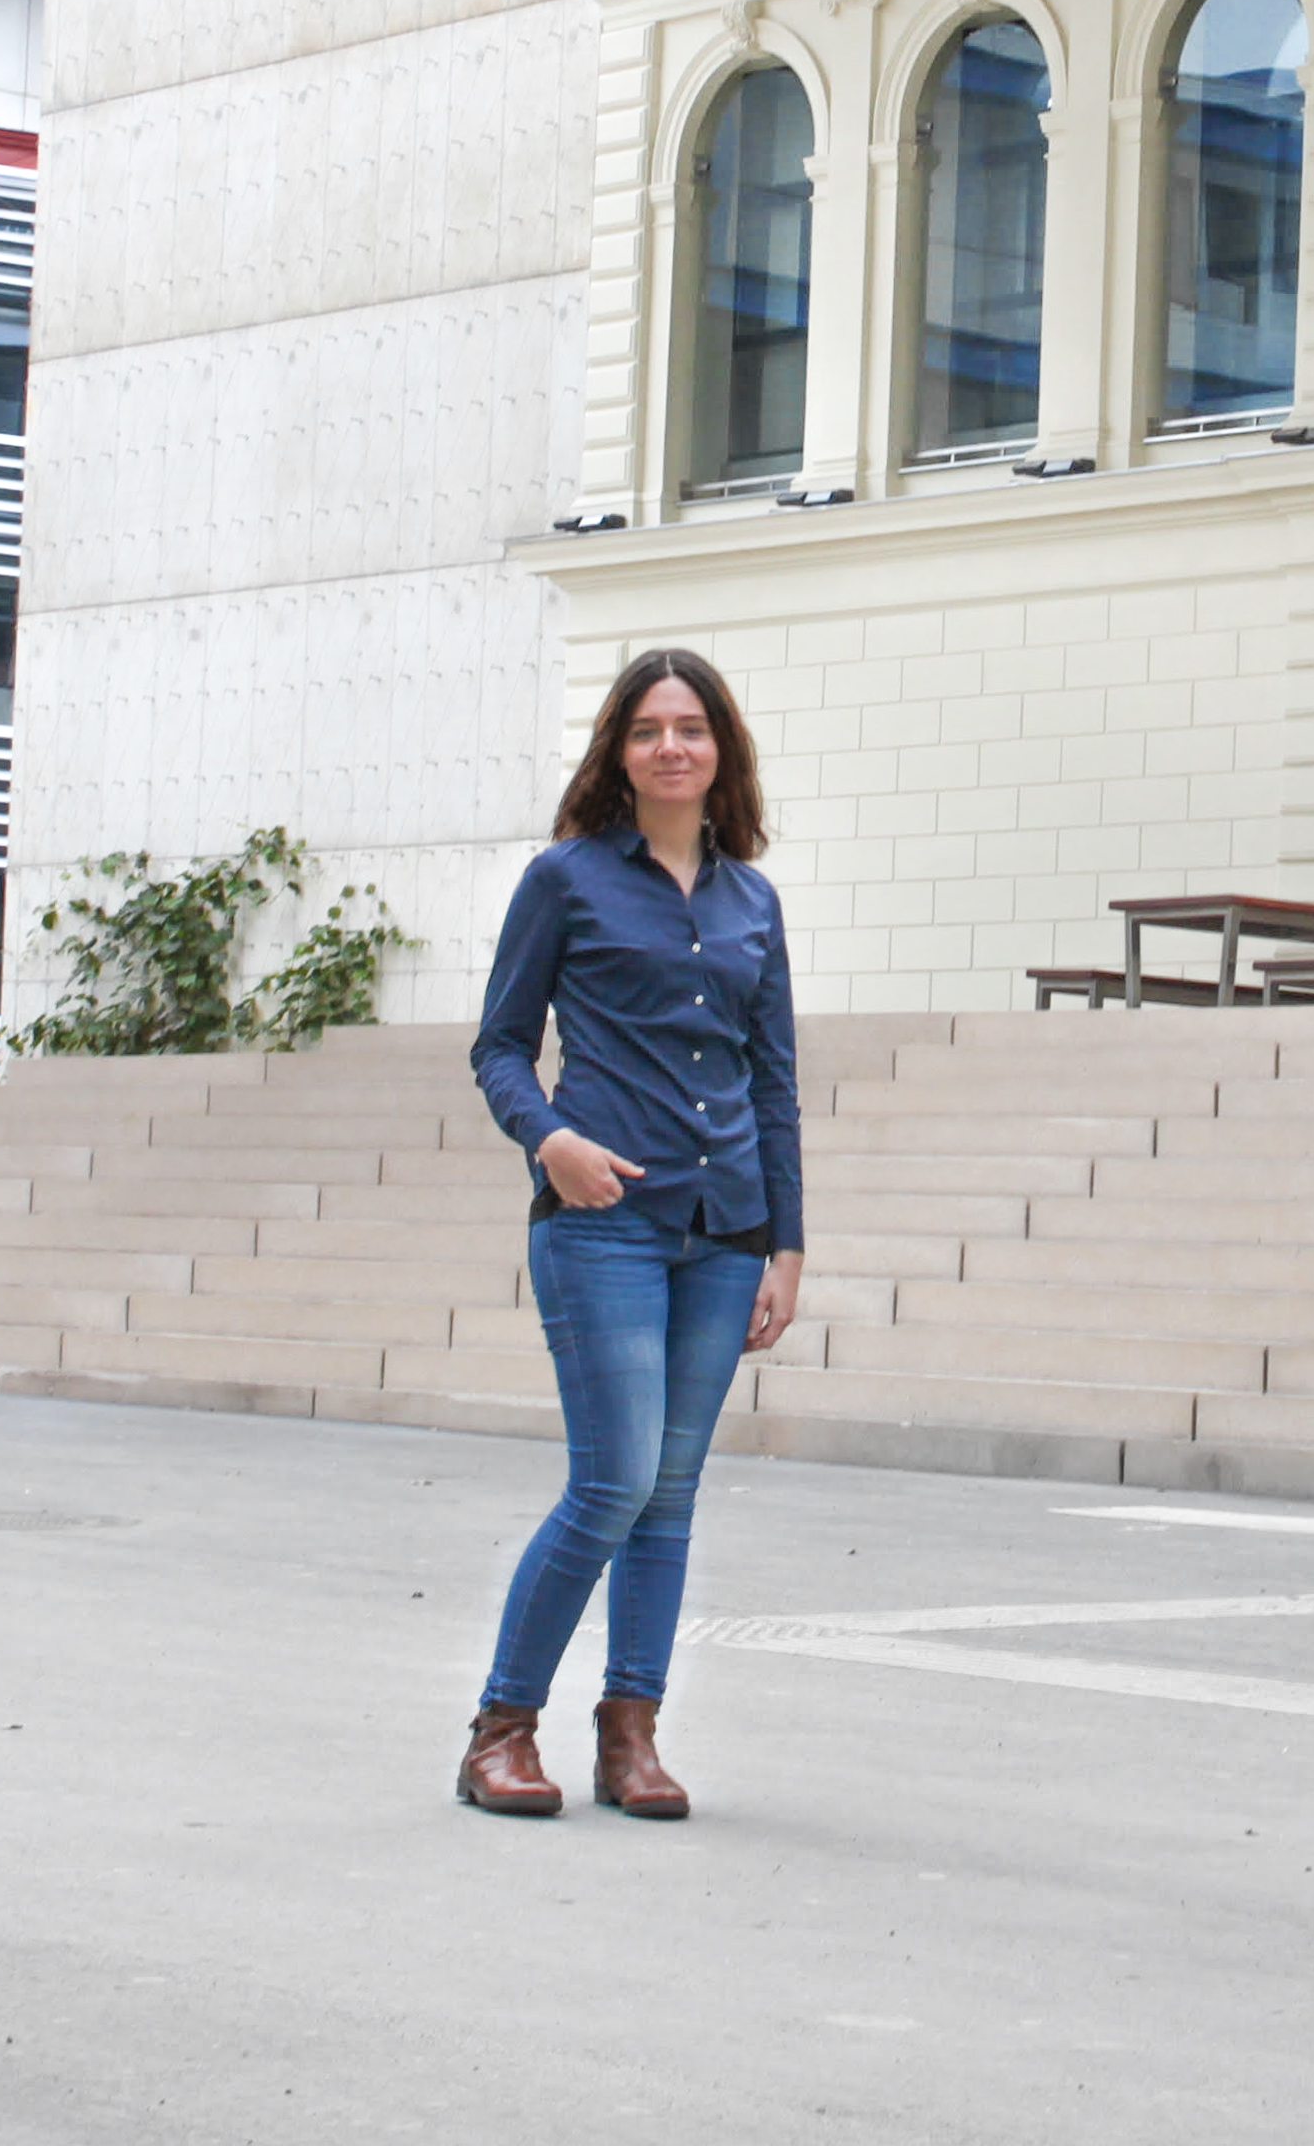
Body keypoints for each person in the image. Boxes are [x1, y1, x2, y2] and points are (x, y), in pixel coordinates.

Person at [460, 648, 805, 1820]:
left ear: (723, 752)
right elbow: (499, 1045)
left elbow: (773, 1085)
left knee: (670, 1489)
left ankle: (630, 1736)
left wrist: (785, 1246)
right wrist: (548, 1138)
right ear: (618, 750)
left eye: (693, 728)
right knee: (611, 1481)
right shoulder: (565, 880)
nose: (672, 747)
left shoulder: (752, 901)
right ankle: (501, 1729)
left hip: (725, 1230)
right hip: (602, 1223)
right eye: (649, 728)